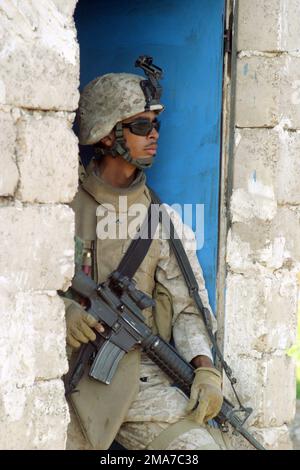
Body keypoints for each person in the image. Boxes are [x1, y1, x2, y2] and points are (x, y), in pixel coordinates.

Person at [62, 60, 229, 451]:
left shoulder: (163, 221)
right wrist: (64, 316)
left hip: (140, 379)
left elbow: (188, 309)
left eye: (155, 124)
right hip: (65, 377)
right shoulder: (57, 208)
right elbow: (20, 285)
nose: (153, 135)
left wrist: (204, 370)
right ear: (106, 135)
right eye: (140, 126)